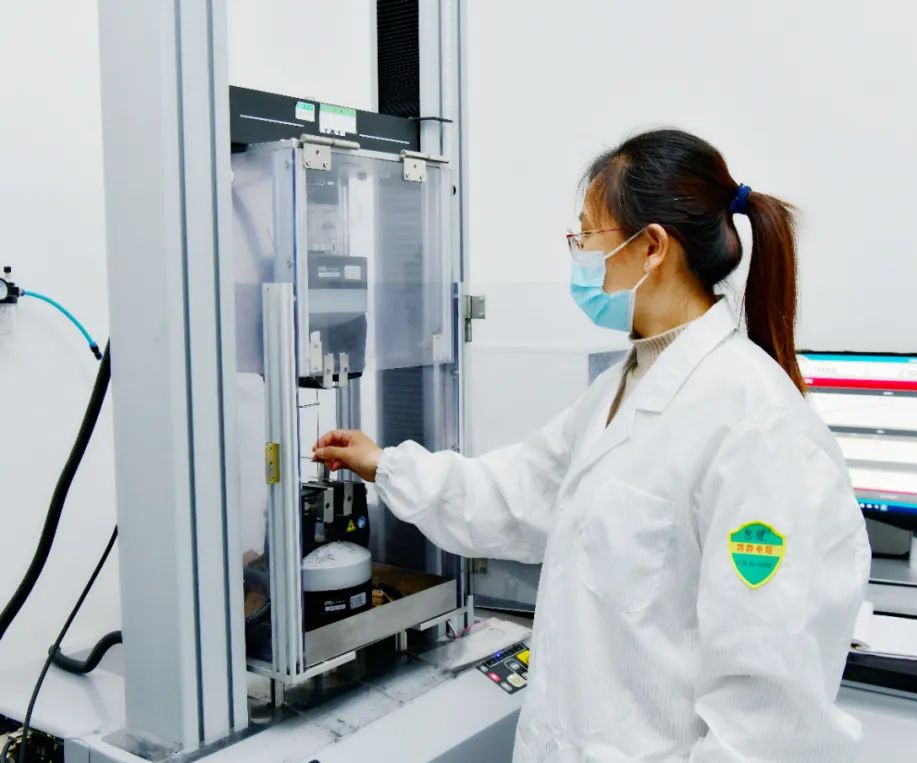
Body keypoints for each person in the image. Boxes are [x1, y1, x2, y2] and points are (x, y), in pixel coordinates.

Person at [313, 129, 871, 762]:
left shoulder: (757, 425)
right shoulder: (620, 391)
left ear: (651, 247)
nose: (578, 256)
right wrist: (384, 464)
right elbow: (515, 494)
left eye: (586, 236)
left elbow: (766, 721)